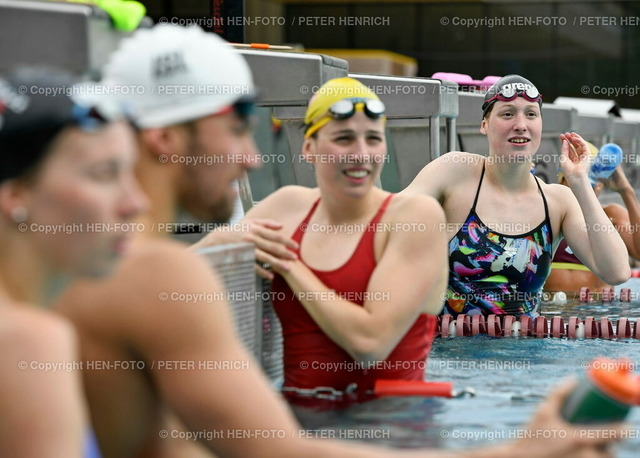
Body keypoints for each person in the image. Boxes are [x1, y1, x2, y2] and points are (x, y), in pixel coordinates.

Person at [56, 26, 626, 458]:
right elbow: (277, 442)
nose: (254, 156)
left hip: (469, 379)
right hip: (421, 387)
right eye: (236, 129)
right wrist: (519, 451)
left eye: (374, 139)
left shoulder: (83, 278)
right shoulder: (155, 277)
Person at [194, 76, 448, 400]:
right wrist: (217, 244)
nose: (361, 154)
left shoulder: (414, 217)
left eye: (373, 139)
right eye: (343, 138)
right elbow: (168, 281)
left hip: (392, 428)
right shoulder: (287, 208)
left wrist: (290, 265)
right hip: (298, 424)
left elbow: (370, 343)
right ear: (309, 149)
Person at [0, 67, 146, 457]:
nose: (135, 204)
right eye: (104, 174)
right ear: (16, 194)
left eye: (131, 172)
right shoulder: (26, 340)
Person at [402, 74, 630, 317]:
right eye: (507, 114)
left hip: (527, 350)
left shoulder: (557, 201)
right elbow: (388, 219)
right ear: (484, 125)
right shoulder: (455, 171)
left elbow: (617, 272)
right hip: (449, 351)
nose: (521, 124)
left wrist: (580, 182)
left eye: (531, 114)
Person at [545, 157, 640, 293]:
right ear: (562, 181)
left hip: (598, 309)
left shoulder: (611, 215)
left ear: (600, 186)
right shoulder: (549, 213)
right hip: (553, 310)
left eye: (590, 185)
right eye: (575, 181)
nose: (583, 189)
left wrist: (626, 191)